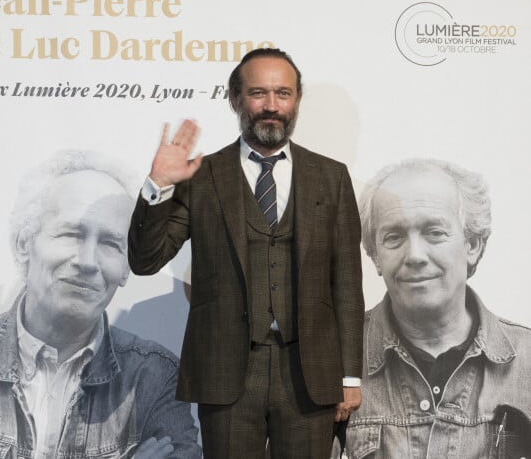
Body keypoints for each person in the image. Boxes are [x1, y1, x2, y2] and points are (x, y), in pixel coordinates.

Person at [128, 48, 365, 458]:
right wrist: (159, 185)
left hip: (310, 375)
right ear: (235, 99)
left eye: (283, 94)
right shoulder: (201, 176)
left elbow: (346, 281)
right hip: (225, 375)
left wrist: (349, 376)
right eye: (258, 93)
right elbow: (145, 260)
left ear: (296, 101)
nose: (271, 106)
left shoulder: (331, 177)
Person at [0, 150, 201, 458]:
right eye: (71, 234)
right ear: (24, 244)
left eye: (110, 243)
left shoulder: (154, 376)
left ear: (126, 267)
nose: (87, 262)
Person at [345, 158, 531, 458]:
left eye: (434, 232)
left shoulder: (528, 366)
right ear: (375, 255)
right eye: (394, 237)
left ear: (473, 245)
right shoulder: (329, 363)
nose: (415, 255)